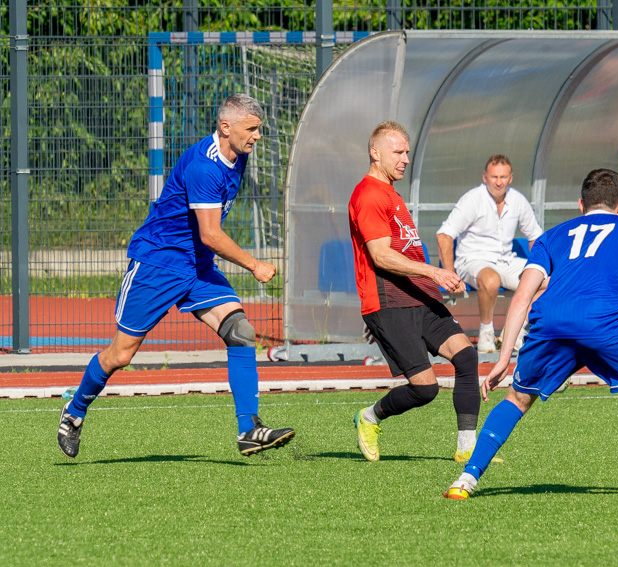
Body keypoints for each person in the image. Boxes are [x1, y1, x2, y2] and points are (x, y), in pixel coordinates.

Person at [57, 94, 295, 458]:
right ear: (225, 127)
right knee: (120, 355)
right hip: (158, 264)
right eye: (251, 129)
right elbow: (211, 234)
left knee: (241, 332)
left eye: (259, 129)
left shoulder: (240, 154)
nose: (257, 137)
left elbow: (205, 238)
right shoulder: (205, 166)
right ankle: (74, 412)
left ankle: (249, 429)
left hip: (196, 266)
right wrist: (254, 265)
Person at [444, 168, 618, 499]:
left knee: (518, 398)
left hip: (551, 322)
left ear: (581, 205)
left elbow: (523, 296)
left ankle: (466, 480)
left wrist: (502, 358)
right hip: (603, 320)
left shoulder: (552, 236)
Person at [349, 120, 485, 463]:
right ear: (375, 152)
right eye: (398, 152)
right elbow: (380, 256)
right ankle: (369, 417)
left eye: (407, 152)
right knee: (426, 389)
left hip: (419, 297)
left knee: (466, 357)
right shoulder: (367, 194)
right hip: (391, 303)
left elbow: (402, 250)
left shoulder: (391, 194)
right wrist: (436, 271)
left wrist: (431, 283)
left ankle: (468, 450)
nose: (406, 159)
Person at [436, 155, 543, 354]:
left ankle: (515, 332)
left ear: (511, 178)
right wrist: (450, 276)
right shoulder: (473, 199)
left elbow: (535, 237)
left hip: (505, 260)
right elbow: (444, 235)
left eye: (503, 177)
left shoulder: (518, 200)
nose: (499, 182)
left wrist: (539, 267)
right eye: (494, 177)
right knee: (491, 279)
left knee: (548, 280)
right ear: (485, 177)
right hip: (472, 260)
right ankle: (486, 334)